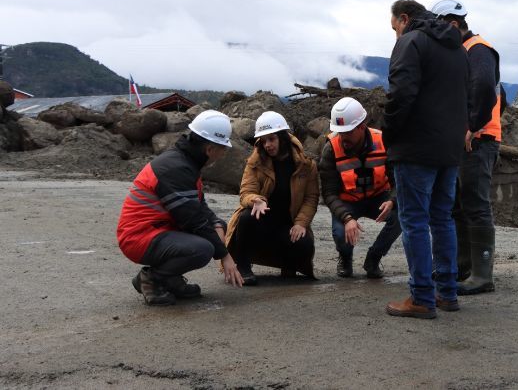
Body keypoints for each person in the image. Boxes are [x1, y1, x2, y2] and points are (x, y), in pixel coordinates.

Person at [383, 0, 469, 319]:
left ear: (404, 19)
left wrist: (390, 135)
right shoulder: (458, 49)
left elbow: (400, 95)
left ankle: (421, 296)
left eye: (394, 28)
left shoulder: (411, 43)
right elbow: (466, 97)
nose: (395, 35)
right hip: (449, 149)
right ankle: (446, 292)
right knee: (442, 218)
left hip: (416, 148)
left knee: (415, 221)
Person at [117, 110, 243, 306]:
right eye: (223, 149)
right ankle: (152, 279)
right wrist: (225, 256)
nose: (223, 154)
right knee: (202, 249)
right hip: (139, 236)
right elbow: (192, 220)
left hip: (158, 230)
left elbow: (198, 206)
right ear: (210, 149)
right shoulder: (175, 169)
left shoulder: (185, 162)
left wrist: (217, 223)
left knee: (217, 227)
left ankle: (170, 279)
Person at [431, 0, 501, 295]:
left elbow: (485, 88)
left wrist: (473, 125)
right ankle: (463, 267)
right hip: (467, 140)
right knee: (459, 205)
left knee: (475, 205)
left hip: (479, 141)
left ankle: (482, 275)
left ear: (453, 24)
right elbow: (501, 98)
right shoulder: (465, 51)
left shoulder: (477, 50)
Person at [224, 111, 319, 286]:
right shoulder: (255, 162)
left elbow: (311, 198)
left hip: (288, 224)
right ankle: (244, 267)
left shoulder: (306, 165)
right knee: (246, 217)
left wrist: (301, 223)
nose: (267, 145)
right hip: (263, 222)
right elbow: (246, 192)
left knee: (305, 244)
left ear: (283, 138)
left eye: (272, 139)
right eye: (263, 140)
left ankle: (288, 265)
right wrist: (256, 200)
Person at [319, 97, 401, 279]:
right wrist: (347, 218)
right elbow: (329, 193)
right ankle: (345, 258)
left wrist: (392, 200)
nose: (343, 137)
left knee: (401, 216)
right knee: (341, 233)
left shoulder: (383, 141)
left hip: (378, 198)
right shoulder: (330, 149)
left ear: (362, 126)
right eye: (340, 132)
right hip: (348, 202)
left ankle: (373, 258)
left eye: (347, 131)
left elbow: (398, 179)